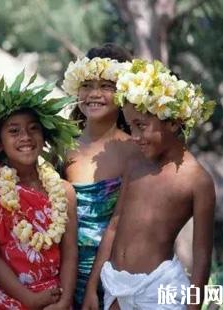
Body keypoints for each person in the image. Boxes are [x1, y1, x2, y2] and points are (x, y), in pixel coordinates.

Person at [82, 59, 216, 310]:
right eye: (131, 126)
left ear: (174, 122)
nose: (134, 136)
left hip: (159, 288)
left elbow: (201, 258)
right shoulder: (135, 163)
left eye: (141, 126)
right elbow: (114, 225)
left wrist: (194, 307)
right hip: (114, 283)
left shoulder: (197, 181)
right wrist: (93, 287)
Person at [0, 72, 80, 309]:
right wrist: (29, 299)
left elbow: (69, 253)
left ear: (44, 136)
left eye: (33, 128)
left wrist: (66, 299)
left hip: (54, 299)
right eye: (14, 131)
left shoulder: (64, 191)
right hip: (10, 300)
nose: (25, 137)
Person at [62, 44, 139, 307]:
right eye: (87, 85)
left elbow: (126, 227)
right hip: (60, 273)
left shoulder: (134, 151)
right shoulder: (62, 146)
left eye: (106, 85)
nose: (94, 94)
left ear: (123, 92)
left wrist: (97, 288)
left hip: (111, 277)